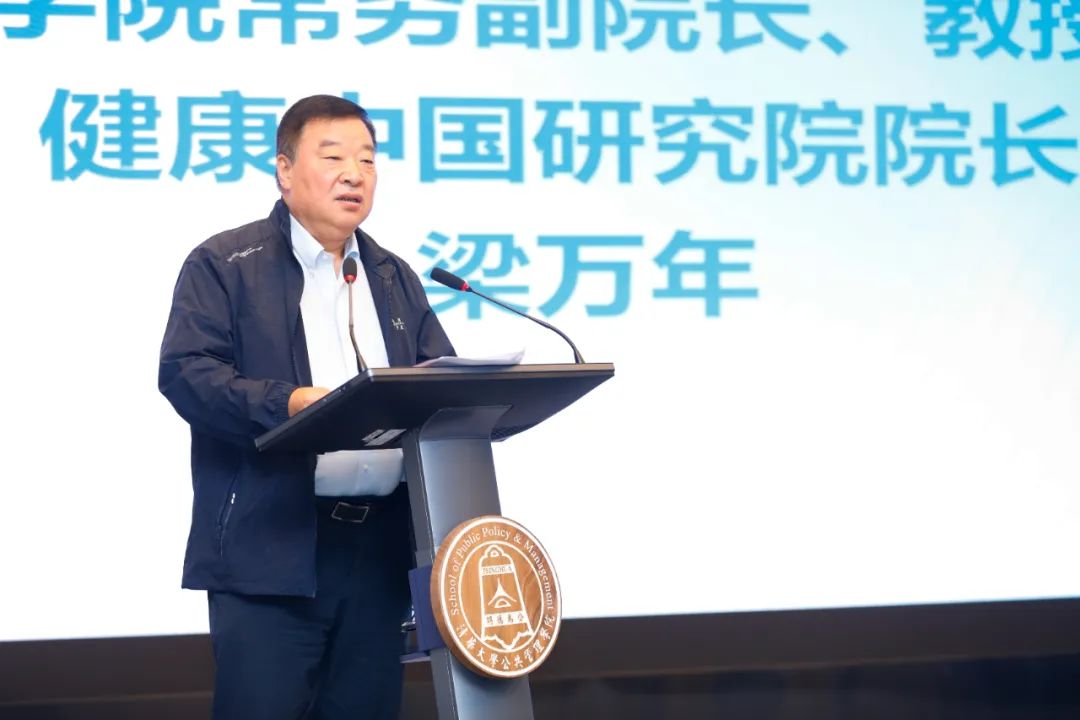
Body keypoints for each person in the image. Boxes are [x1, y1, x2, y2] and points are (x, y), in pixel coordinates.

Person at [159, 95, 455, 720]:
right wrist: (287, 402)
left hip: (378, 554)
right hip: (271, 549)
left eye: (367, 160)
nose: (355, 174)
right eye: (334, 157)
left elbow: (439, 383)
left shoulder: (392, 276)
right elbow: (186, 373)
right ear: (285, 170)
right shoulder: (225, 264)